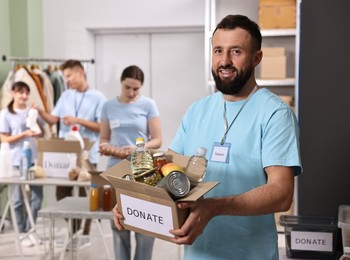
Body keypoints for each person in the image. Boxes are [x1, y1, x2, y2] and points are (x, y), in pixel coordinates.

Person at [114, 15, 303, 259]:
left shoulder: (275, 114)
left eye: (236, 51)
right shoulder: (197, 110)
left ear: (256, 58)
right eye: (218, 51)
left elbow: (281, 193)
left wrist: (213, 207)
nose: (224, 61)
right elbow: (165, 171)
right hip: (197, 253)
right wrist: (132, 198)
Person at [35, 59, 106, 240]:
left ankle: (85, 234)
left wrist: (78, 121)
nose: (66, 80)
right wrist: (39, 110)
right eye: (64, 76)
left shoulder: (98, 97)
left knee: (87, 194)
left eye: (68, 76)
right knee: (62, 193)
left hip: (88, 153)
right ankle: (73, 229)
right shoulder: (66, 95)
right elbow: (53, 120)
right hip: (66, 154)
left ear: (80, 73)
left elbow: (102, 127)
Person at [99, 65, 162, 260]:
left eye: (136, 89)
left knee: (144, 225)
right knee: (119, 223)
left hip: (142, 170)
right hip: (115, 169)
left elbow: (157, 139)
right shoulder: (108, 106)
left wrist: (138, 149)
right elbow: (103, 139)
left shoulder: (148, 104)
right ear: (121, 82)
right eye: (127, 87)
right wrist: (110, 148)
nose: (131, 92)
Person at [0, 81, 44, 247]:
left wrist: (37, 117)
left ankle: (31, 230)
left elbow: (41, 132)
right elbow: (3, 139)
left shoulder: (31, 112)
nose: (23, 96)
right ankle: (22, 233)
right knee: (17, 200)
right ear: (13, 93)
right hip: (15, 161)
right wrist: (24, 134)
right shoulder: (5, 114)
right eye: (20, 92)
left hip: (33, 160)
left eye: (26, 92)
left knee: (37, 198)